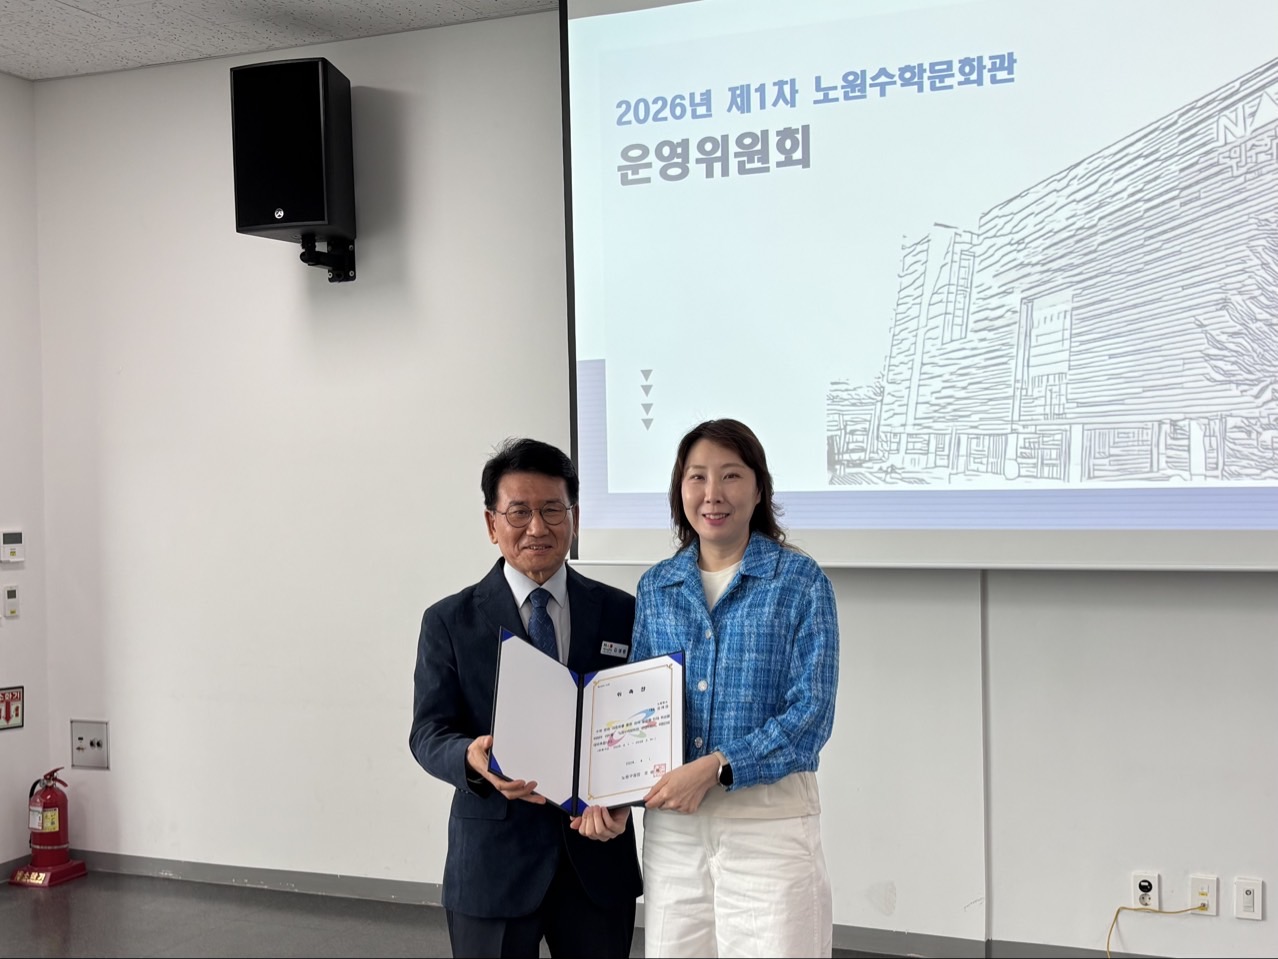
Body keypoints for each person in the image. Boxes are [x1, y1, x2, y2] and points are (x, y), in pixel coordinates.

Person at [579, 418, 839, 958]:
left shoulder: (800, 582)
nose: (712, 493)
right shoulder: (658, 586)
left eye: (731, 475)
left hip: (768, 827)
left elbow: (811, 715)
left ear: (759, 488)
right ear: (680, 490)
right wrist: (621, 797)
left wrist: (720, 766)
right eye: (697, 476)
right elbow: (640, 709)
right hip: (675, 834)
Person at [409, 437, 642, 959]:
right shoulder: (449, 621)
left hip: (596, 856)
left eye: (552, 509)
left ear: (574, 517)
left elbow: (642, 726)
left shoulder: (621, 612)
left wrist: (624, 799)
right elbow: (427, 732)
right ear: (492, 524)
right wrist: (470, 759)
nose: (537, 527)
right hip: (492, 863)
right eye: (519, 512)